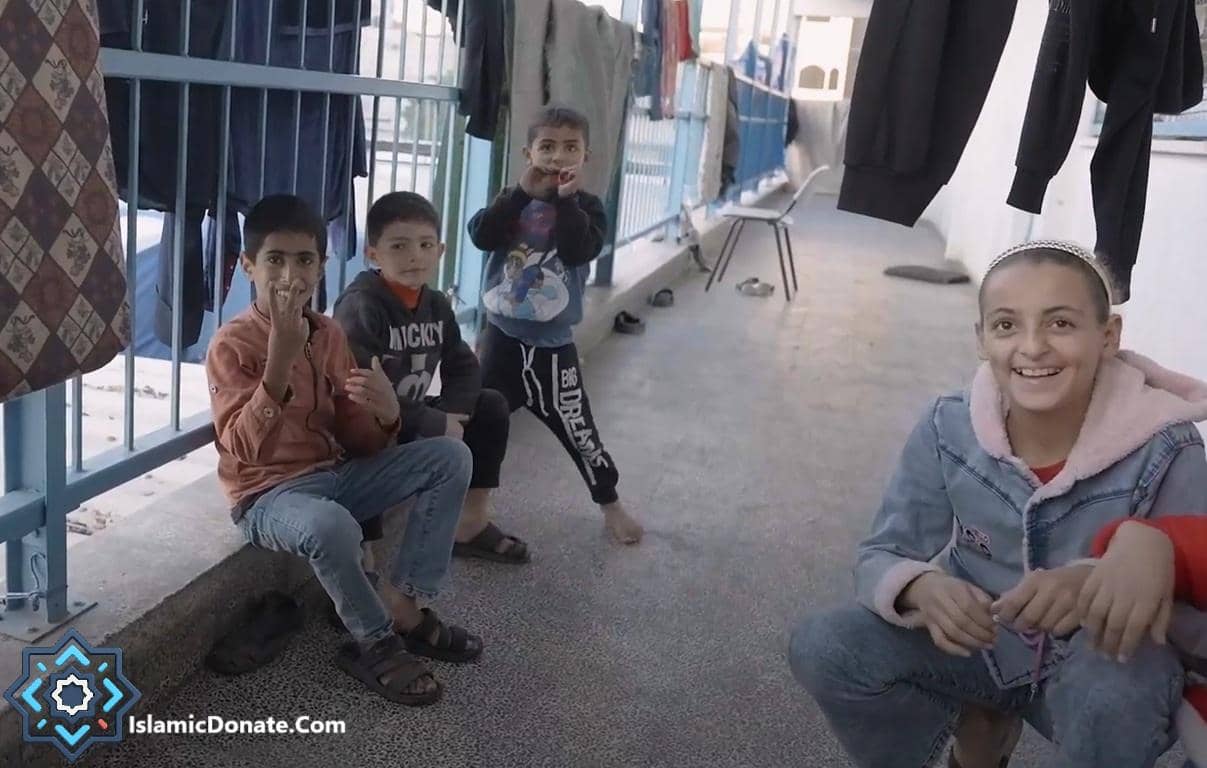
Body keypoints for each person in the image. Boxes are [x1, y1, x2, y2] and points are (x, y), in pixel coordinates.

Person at [787, 240, 1207, 767]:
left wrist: (1100, 587)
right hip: (980, 644)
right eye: (1007, 325)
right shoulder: (949, 427)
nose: (1032, 347)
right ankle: (977, 734)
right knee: (825, 645)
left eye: (1060, 324)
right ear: (982, 339)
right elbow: (882, 553)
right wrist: (921, 585)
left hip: (1103, 667)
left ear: (1108, 336)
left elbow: (1196, 605)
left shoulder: (1168, 448)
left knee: (1116, 689)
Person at [205, 194, 481, 707]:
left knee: (451, 457)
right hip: (267, 498)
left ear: (323, 265)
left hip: (332, 477)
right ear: (248, 266)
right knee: (331, 525)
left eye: (305, 260)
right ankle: (373, 642)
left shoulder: (329, 334)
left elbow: (359, 442)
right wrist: (278, 365)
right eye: (275, 260)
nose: (292, 275)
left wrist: (387, 414)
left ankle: (403, 603)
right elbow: (241, 449)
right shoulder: (231, 345)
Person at [467, 104, 644, 545]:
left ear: (586, 157)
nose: (558, 157)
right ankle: (472, 512)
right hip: (501, 341)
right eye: (547, 147)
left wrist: (565, 204)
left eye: (570, 148)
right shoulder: (511, 200)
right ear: (529, 153)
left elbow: (579, 249)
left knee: (580, 431)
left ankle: (611, 505)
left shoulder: (588, 208)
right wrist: (519, 196)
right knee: (478, 423)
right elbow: (482, 236)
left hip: (552, 350)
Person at [333, 191, 529, 564]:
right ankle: (362, 549)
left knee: (490, 405)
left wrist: (454, 414)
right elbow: (357, 389)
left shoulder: (435, 303)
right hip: (368, 423)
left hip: (411, 418)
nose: (414, 256)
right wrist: (433, 421)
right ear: (372, 253)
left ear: (440, 251)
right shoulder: (362, 305)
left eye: (425, 245)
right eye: (399, 246)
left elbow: (463, 365)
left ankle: (469, 524)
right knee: (367, 434)